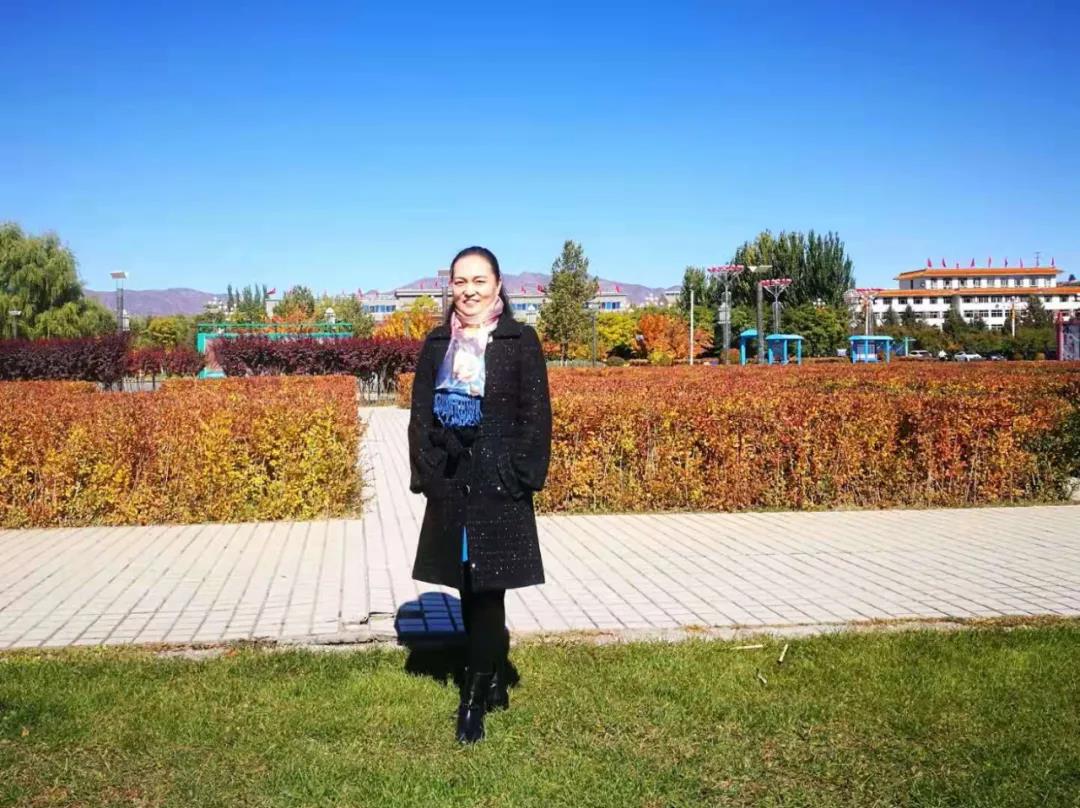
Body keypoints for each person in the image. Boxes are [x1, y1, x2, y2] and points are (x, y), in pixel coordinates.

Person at [408, 246, 552, 744]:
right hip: (454, 481)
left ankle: (472, 697)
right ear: (450, 286)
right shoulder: (436, 343)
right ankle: (492, 678)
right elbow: (419, 414)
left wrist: (521, 474)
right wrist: (429, 470)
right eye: (460, 281)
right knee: (469, 583)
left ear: (497, 285)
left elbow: (537, 414)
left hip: (499, 483)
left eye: (479, 281)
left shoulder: (518, 340)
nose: (469, 291)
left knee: (491, 587)